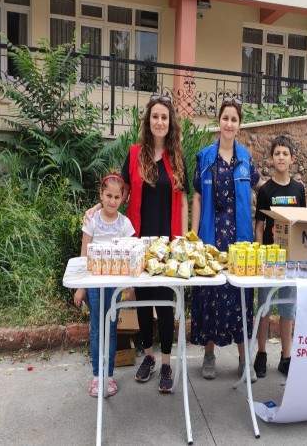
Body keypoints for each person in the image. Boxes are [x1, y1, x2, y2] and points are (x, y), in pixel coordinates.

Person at [85, 94, 189, 393]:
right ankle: (148, 356)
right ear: (148, 122)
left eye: (164, 117)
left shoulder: (177, 158)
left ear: (170, 124)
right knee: (142, 299)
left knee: (165, 301)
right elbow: (118, 192)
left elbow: (182, 199)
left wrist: (181, 239)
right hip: (137, 242)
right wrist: (96, 207)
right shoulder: (134, 155)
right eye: (155, 116)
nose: (159, 122)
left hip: (167, 242)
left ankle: (167, 361)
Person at [190, 97, 260, 382]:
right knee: (211, 293)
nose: (229, 123)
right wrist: (193, 236)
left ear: (239, 125)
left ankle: (245, 359)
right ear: (218, 121)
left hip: (239, 237)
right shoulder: (205, 157)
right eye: (225, 118)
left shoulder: (246, 158)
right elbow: (196, 195)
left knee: (240, 294)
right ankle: (209, 354)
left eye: (234, 119)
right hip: (211, 233)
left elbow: (255, 191)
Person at [74, 172, 136, 398]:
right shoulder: (92, 221)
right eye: (108, 195)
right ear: (100, 195)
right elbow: (83, 254)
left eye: (116, 197)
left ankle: (109, 376)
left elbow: (131, 254)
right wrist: (80, 287)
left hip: (115, 285)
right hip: (93, 283)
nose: (112, 200)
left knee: (110, 329)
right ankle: (96, 376)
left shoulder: (125, 224)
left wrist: (129, 286)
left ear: (122, 199)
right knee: (96, 328)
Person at [253, 135, 306, 378]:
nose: (281, 157)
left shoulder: (299, 189)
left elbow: (303, 223)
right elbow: (260, 225)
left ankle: (287, 356)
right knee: (264, 307)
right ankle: (261, 353)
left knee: (288, 308)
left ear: (292, 159)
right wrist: (258, 252)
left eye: (285, 153)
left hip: (291, 260)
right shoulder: (265, 190)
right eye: (277, 153)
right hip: (269, 258)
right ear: (271, 159)